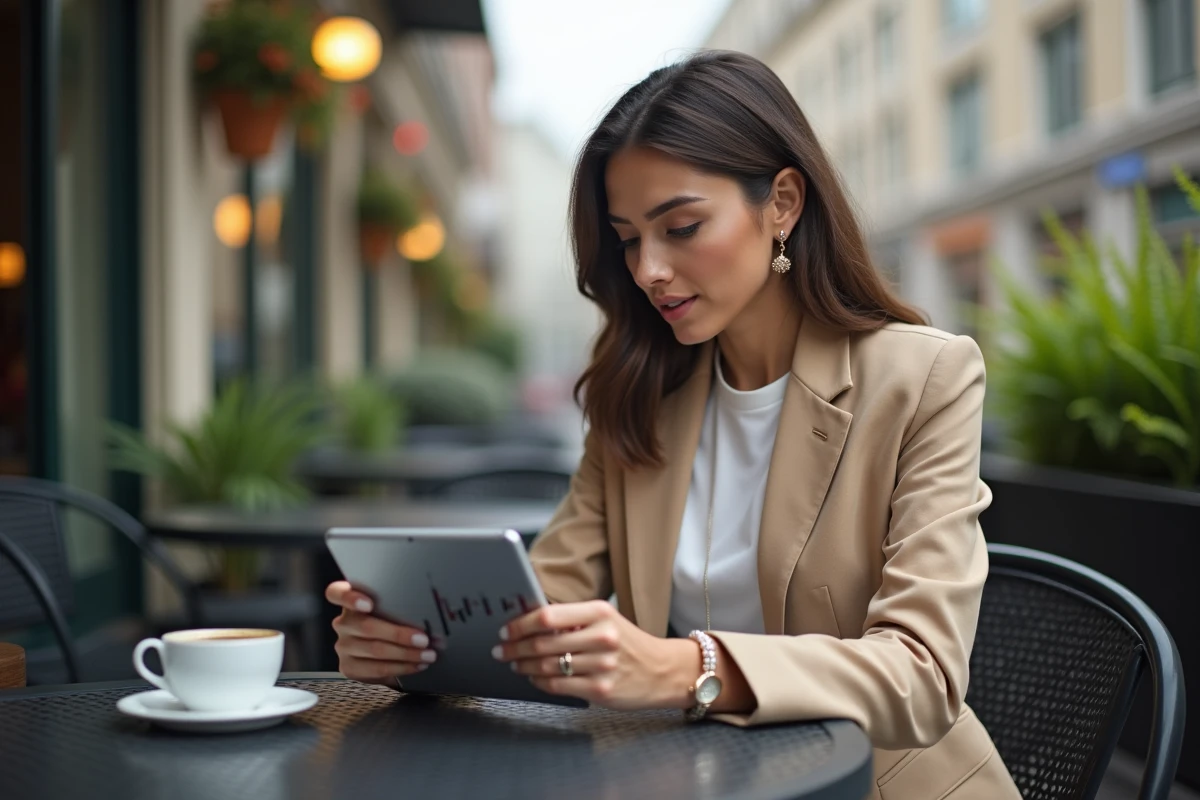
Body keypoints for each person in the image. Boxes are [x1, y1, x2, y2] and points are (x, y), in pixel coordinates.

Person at [327, 50, 1021, 797]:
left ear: (782, 202)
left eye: (681, 226)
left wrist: (686, 667)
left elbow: (923, 675)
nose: (647, 268)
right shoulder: (641, 394)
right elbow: (543, 609)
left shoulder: (923, 380)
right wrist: (417, 647)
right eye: (627, 238)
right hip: (692, 779)